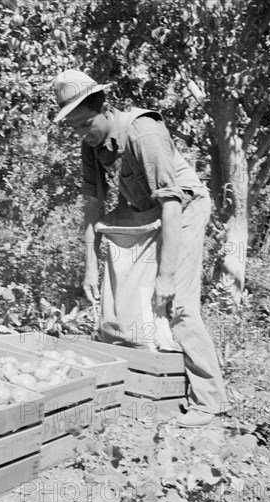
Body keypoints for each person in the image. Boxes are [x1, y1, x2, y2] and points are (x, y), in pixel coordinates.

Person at [52, 69, 226, 428]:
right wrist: (90, 265)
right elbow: (92, 206)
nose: (82, 134)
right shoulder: (91, 144)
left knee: (178, 301)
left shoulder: (143, 130)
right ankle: (127, 350)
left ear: (105, 110)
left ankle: (209, 400)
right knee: (119, 271)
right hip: (142, 209)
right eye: (74, 128)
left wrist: (165, 274)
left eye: (86, 124)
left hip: (184, 208)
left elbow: (172, 201)